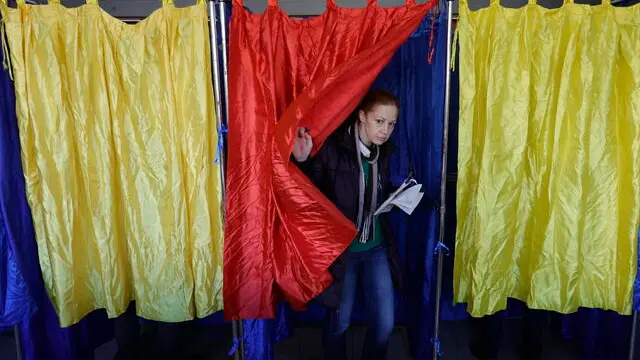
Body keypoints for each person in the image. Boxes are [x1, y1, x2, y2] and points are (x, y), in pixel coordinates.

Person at [292, 89, 403, 360]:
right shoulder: (334, 149)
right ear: (362, 116)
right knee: (339, 322)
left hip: (375, 246)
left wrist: (398, 197)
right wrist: (303, 161)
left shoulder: (384, 151)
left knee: (385, 323)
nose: (385, 130)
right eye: (379, 121)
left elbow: (378, 188)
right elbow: (308, 193)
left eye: (391, 123)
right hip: (343, 252)